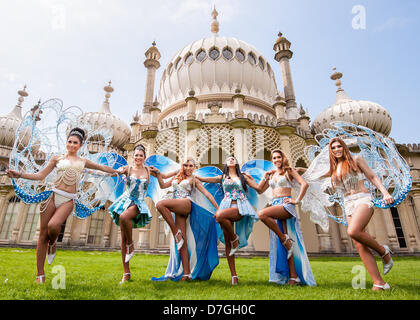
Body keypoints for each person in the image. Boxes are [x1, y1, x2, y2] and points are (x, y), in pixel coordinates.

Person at [6, 128, 119, 283]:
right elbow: (40, 175)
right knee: (42, 234)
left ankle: (53, 244)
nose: (72, 145)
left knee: (54, 226)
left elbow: (103, 168)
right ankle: (40, 274)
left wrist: (119, 172)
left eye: (75, 143)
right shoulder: (56, 159)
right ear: (67, 142)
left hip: (68, 199)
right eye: (70, 142)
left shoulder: (83, 162)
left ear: (80, 145)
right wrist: (19, 174)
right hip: (52, 195)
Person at [328, 137, 394, 290]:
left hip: (362, 199)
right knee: (358, 242)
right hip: (348, 203)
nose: (337, 149)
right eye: (333, 148)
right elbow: (319, 175)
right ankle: (379, 283)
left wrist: (385, 193)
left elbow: (372, 176)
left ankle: (384, 251)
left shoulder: (356, 159)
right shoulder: (334, 167)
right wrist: (299, 171)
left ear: (344, 147)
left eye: (339, 146)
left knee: (353, 231)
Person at [108, 144, 176, 283]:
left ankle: (131, 244)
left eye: (141, 155)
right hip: (125, 201)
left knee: (123, 217)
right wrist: (111, 171)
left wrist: (179, 172)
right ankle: (126, 273)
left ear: (144, 158)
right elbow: (112, 172)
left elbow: (164, 176)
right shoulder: (127, 169)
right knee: (123, 240)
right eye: (136, 155)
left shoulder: (149, 170)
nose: (138, 157)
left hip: (138, 203)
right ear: (133, 157)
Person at [248, 150, 316, 286]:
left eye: (279, 157)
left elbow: (304, 184)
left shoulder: (288, 171)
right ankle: (293, 276)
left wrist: (296, 200)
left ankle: (285, 240)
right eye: (274, 158)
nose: (276, 159)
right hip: (275, 204)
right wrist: (248, 178)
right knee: (284, 239)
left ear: (283, 158)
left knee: (262, 214)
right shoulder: (271, 174)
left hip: (286, 205)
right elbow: (259, 189)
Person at [195, 156, 259, 285]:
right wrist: (195, 176)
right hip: (225, 206)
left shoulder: (243, 177)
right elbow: (204, 179)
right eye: (228, 159)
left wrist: (255, 179)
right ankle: (234, 276)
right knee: (228, 244)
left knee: (219, 216)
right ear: (225, 163)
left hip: (240, 206)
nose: (231, 160)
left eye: (233, 159)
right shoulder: (223, 177)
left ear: (236, 163)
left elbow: (259, 188)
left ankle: (235, 238)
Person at [153, 157, 219, 281]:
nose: (188, 168)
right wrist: (157, 174)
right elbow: (162, 185)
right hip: (178, 207)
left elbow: (207, 194)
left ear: (195, 167)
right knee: (182, 241)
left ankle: (175, 232)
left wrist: (218, 209)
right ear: (182, 166)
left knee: (160, 204)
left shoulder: (194, 179)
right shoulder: (177, 177)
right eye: (186, 165)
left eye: (191, 166)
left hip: (186, 203)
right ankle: (187, 273)